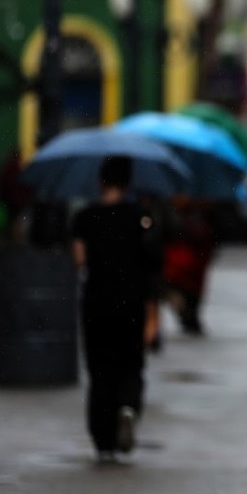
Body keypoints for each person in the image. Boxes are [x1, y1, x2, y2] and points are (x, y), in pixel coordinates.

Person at [70, 156, 154, 464]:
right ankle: (129, 407)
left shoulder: (84, 217)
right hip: (132, 302)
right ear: (128, 182)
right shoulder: (139, 216)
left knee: (100, 372)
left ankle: (103, 442)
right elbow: (150, 263)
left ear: (101, 181)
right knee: (131, 366)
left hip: (96, 303)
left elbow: (79, 260)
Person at [163, 198, 217, 335]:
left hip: (186, 266)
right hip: (183, 266)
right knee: (186, 297)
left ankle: (189, 318)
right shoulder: (177, 215)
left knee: (188, 299)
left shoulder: (196, 218)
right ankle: (189, 318)